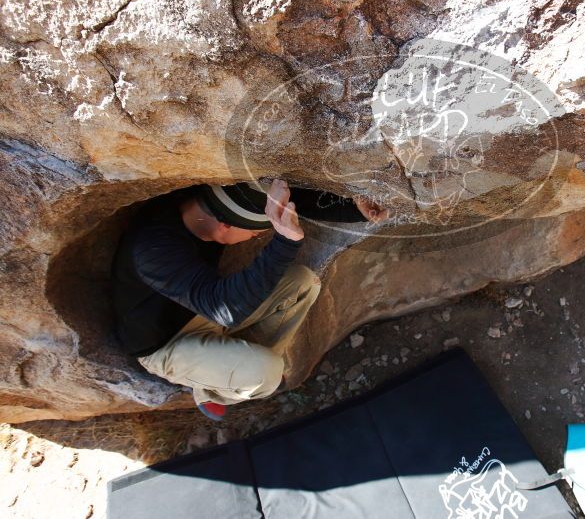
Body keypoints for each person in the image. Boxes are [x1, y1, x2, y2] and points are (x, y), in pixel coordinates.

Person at [111, 179, 388, 421]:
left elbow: (289, 202)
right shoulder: (153, 249)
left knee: (304, 283)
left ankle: (236, 366)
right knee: (266, 374)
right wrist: (285, 242)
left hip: (205, 308)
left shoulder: (200, 206)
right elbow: (226, 310)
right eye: (255, 232)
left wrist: (353, 210)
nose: (257, 235)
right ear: (226, 224)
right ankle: (214, 391)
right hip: (167, 344)